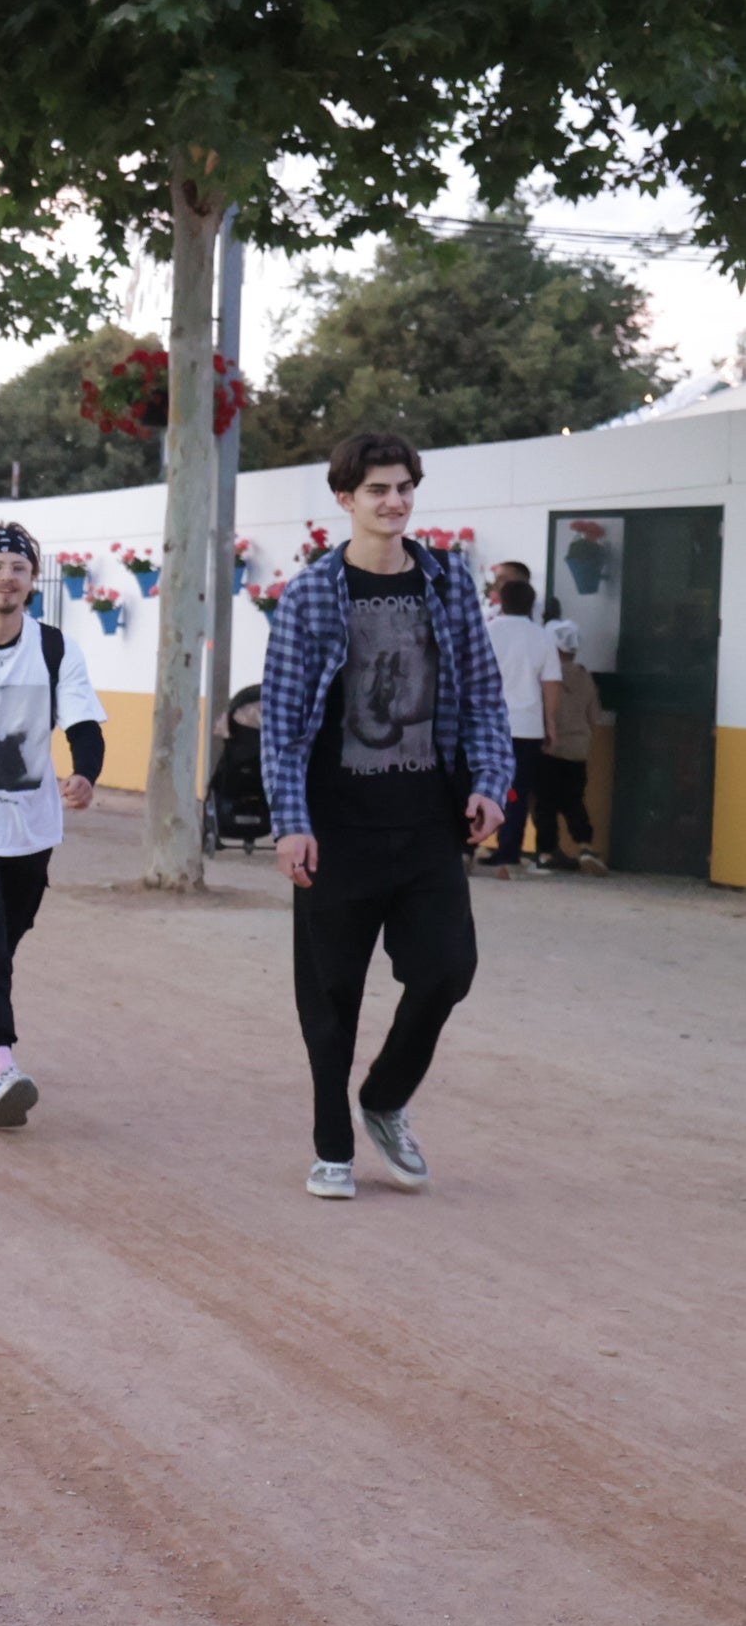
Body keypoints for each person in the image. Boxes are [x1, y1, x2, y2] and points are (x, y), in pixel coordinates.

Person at [263, 431, 509, 1199]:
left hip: (428, 821)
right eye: (377, 490)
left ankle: (384, 1098)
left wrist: (492, 780)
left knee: (448, 970)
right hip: (336, 830)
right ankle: (332, 1144)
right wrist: (291, 821)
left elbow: (483, 691)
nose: (394, 501)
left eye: (404, 487)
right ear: (347, 500)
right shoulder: (309, 594)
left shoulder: (446, 582)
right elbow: (282, 720)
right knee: (330, 997)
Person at [0, 521, 105, 1130]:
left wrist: (86, 773)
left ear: (32, 581)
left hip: (33, 828)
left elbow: (84, 723)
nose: (7, 576)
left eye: (18, 567)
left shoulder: (55, 648)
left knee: (3, 942)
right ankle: (1, 1061)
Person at [480, 576, 563, 875]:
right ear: (531, 605)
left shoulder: (486, 632)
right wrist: (551, 724)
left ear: (501, 601)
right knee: (516, 791)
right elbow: (551, 684)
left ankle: (465, 852)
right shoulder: (541, 637)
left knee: (477, 786)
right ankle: (508, 857)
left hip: (486, 724)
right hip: (527, 727)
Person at [535, 618, 608, 873]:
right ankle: (586, 846)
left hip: (549, 750)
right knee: (574, 801)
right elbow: (594, 716)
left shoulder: (546, 677)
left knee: (544, 802)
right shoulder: (585, 678)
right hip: (578, 751)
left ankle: (547, 851)